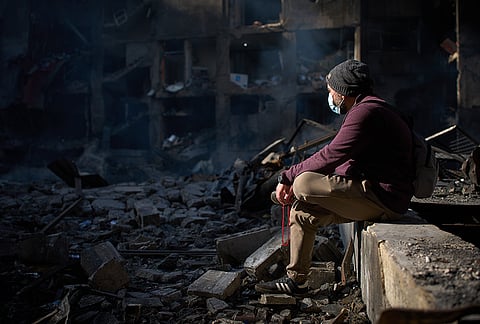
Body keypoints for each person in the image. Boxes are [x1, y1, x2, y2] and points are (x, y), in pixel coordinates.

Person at [255, 59, 415, 296]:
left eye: (330, 91)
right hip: (373, 192)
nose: (329, 96)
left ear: (343, 91)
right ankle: (296, 281)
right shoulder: (369, 108)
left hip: (384, 198)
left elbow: (331, 155)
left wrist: (287, 176)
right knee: (301, 211)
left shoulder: (366, 112)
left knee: (303, 183)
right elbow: (344, 161)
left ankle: (293, 187)